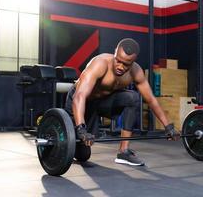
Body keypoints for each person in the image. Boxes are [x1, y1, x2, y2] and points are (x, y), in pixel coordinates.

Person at [65, 38, 179, 166]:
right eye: (118, 60)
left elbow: (151, 100)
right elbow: (79, 96)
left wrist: (168, 127)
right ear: (115, 53)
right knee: (82, 155)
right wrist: (81, 129)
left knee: (133, 98)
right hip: (80, 103)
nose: (120, 66)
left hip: (102, 103)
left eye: (126, 64)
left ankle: (123, 151)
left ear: (133, 61)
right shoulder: (100, 63)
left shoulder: (136, 72)